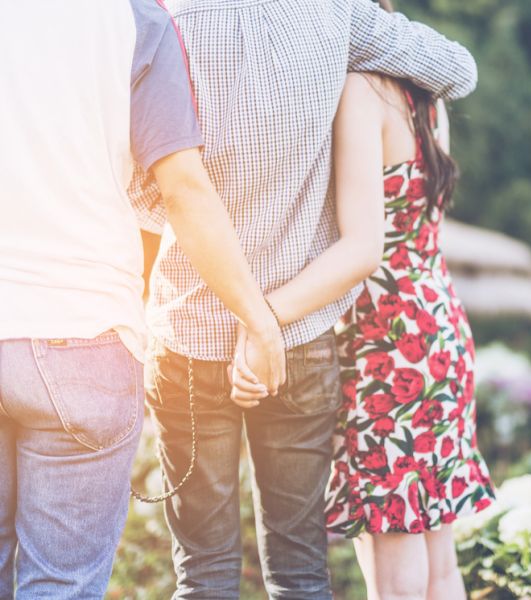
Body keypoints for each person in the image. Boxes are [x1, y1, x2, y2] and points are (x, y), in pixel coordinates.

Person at [131, 0, 479, 598]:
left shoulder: (161, 15)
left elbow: (142, 191)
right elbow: (459, 70)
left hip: (191, 327)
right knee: (299, 571)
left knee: (204, 569)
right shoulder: (335, 17)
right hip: (305, 339)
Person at [0, 2, 284, 598]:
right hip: (83, 327)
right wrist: (258, 320)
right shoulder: (133, 19)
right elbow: (182, 187)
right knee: (60, 584)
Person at [229, 4, 496, 599]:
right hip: (438, 325)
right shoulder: (425, 93)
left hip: (385, 343)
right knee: (438, 558)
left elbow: (360, 249)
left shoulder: (357, 90)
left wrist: (262, 314)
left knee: (394, 572)